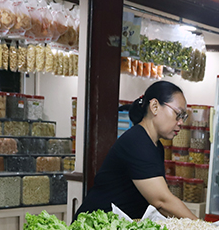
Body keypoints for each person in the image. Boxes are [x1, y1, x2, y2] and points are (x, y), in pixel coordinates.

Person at [75, 81, 199, 221]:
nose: (181, 122)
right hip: (95, 229)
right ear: (154, 107)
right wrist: (204, 228)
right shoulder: (136, 141)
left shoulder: (156, 147)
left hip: (118, 229)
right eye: (178, 114)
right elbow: (161, 201)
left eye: (183, 117)